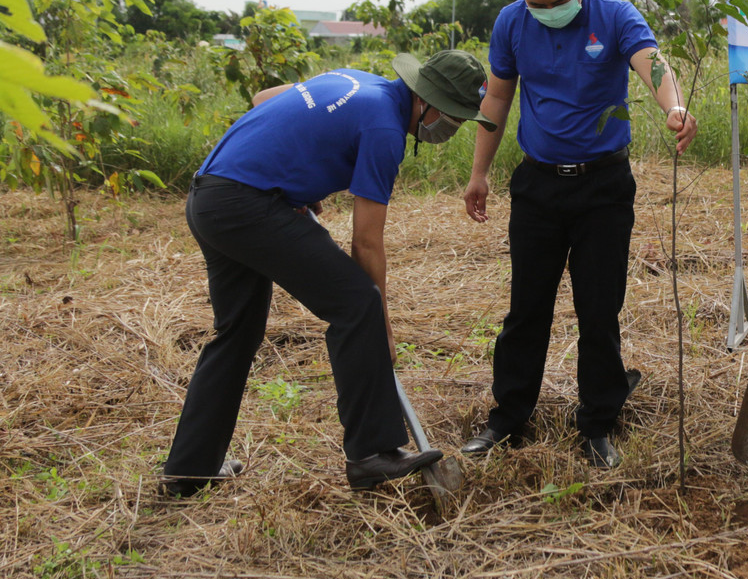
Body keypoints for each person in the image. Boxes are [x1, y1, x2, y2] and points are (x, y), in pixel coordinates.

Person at [159, 51, 496, 496]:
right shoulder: (385, 129)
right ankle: (374, 452)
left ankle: (190, 468)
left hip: (211, 198)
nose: (450, 128)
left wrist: (293, 175)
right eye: (451, 117)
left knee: (237, 332)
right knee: (357, 303)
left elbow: (265, 100)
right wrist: (381, 330)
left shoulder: (355, 79)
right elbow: (366, 243)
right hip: (245, 207)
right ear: (425, 101)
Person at [461, 0, 696, 469]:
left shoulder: (614, 17)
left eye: (557, 1)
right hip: (538, 186)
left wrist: (674, 107)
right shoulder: (510, 23)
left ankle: (597, 422)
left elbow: (652, 62)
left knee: (598, 306)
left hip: (603, 188)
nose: (546, 11)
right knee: (527, 308)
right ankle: (509, 418)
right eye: (535, 3)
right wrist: (479, 172)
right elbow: (498, 95)